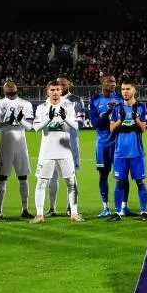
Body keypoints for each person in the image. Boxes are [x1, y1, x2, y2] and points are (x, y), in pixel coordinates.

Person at [31, 79, 83, 223]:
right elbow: (36, 128)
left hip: (64, 152)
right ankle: (39, 215)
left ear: (61, 91)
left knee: (71, 182)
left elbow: (76, 126)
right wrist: (48, 119)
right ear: (47, 92)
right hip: (46, 152)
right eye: (52, 90)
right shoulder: (41, 107)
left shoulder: (69, 106)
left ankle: (74, 213)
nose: (55, 92)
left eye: (58, 90)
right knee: (41, 183)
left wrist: (65, 118)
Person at [105, 78, 147, 221]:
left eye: (128, 89)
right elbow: (112, 128)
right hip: (120, 153)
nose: (125, 92)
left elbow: (143, 128)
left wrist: (135, 118)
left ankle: (144, 212)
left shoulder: (141, 107)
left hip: (137, 152)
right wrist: (121, 120)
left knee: (140, 182)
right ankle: (118, 213)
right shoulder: (117, 109)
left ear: (134, 90)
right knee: (119, 182)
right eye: (123, 89)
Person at [0, 80, 35, 220]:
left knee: (23, 177)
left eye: (12, 85)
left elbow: (31, 127)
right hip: (4, 144)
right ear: (3, 89)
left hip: (21, 144)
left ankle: (25, 210)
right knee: (2, 178)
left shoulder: (26, 104)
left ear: (16, 88)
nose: (10, 87)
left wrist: (21, 121)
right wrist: (7, 122)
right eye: (7, 86)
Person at [87, 74, 124, 218]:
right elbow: (95, 123)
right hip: (103, 145)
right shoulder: (95, 100)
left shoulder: (120, 98)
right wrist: (108, 111)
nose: (113, 84)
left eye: (114, 81)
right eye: (109, 81)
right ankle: (106, 207)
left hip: (119, 144)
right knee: (103, 175)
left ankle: (123, 207)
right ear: (102, 84)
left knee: (122, 176)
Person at [48, 77, 85, 216]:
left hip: (70, 144)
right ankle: (52, 208)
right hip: (53, 143)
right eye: (59, 84)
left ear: (69, 84)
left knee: (71, 176)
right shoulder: (50, 100)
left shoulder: (76, 100)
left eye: (64, 84)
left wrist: (65, 121)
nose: (61, 87)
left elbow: (81, 122)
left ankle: (71, 208)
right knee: (52, 176)